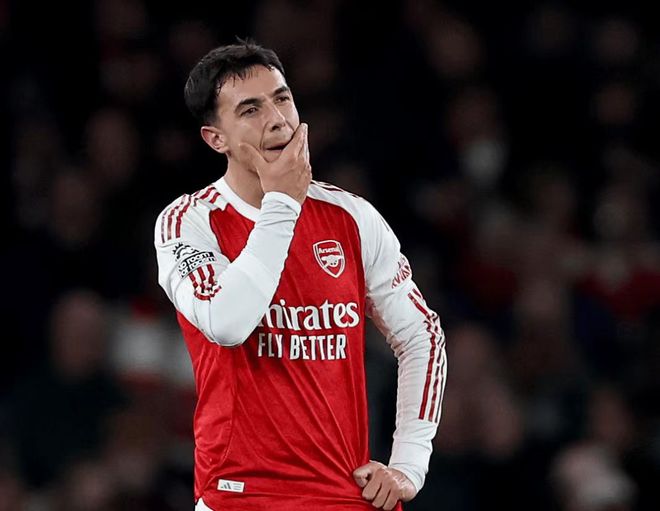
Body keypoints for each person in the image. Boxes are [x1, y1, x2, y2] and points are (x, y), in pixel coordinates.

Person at [154, 39, 447, 511]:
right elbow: (226, 322)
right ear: (216, 139)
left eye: (282, 98)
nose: (277, 120)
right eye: (251, 109)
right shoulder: (189, 222)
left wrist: (409, 463)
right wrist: (282, 204)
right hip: (240, 497)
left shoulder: (352, 217)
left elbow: (421, 335)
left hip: (346, 494)